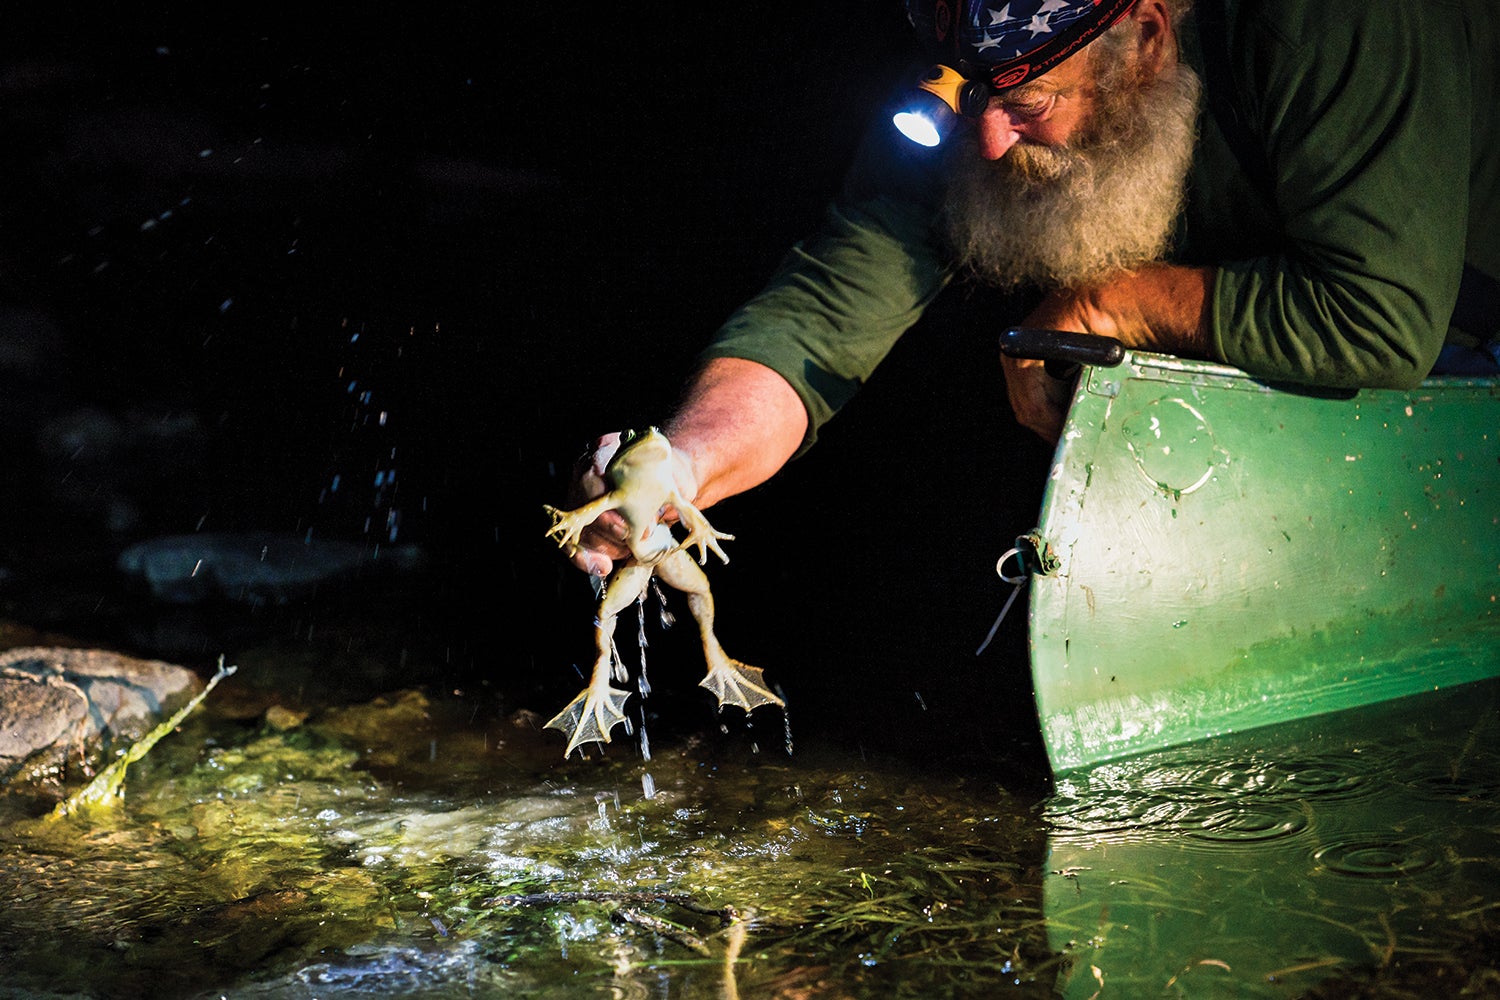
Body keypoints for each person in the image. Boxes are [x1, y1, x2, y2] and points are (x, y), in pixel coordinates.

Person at [563, 0, 1498, 578]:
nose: (990, 146)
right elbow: (828, 305)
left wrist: (1107, 300)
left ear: (1144, 39)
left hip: (1458, 298)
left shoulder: (1333, 19)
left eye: (1027, 107)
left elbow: (1378, 315)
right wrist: (681, 469)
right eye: (971, 98)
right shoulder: (985, 74)